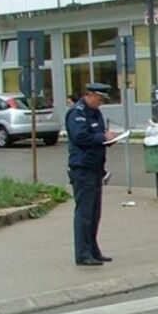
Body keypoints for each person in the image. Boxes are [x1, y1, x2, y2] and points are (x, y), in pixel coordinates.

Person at [66, 82, 119, 266]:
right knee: (84, 212)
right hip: (82, 168)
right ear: (90, 95)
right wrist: (102, 137)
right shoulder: (77, 113)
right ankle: (82, 253)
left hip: (96, 167)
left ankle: (93, 250)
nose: (101, 103)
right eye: (100, 99)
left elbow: (97, 135)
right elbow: (79, 137)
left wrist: (108, 139)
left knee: (95, 213)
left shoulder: (95, 113)